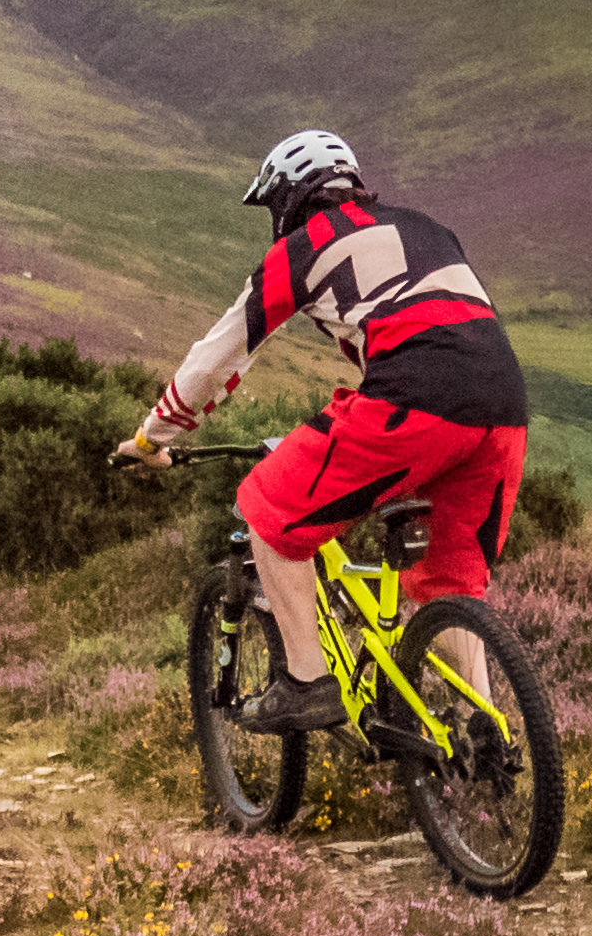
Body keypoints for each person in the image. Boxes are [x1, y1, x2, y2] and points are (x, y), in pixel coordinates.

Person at [111, 128, 531, 735]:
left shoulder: (303, 247)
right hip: (504, 406)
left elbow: (218, 359)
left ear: (287, 198)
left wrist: (154, 438)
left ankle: (305, 681)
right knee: (451, 582)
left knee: (268, 507)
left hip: (415, 398)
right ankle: (481, 728)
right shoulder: (428, 229)